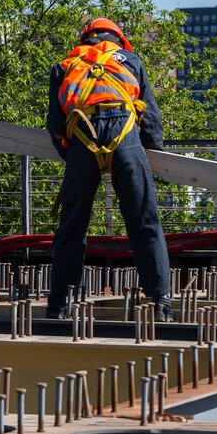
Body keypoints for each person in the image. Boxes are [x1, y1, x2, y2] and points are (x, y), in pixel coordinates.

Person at [45, 17, 172, 321]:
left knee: (72, 226)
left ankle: (60, 304)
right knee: (145, 223)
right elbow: (151, 120)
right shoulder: (130, 60)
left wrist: (75, 158)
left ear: (84, 38)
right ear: (118, 38)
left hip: (82, 141)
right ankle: (161, 303)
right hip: (125, 139)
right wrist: (148, 159)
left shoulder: (65, 65)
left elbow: (56, 126)